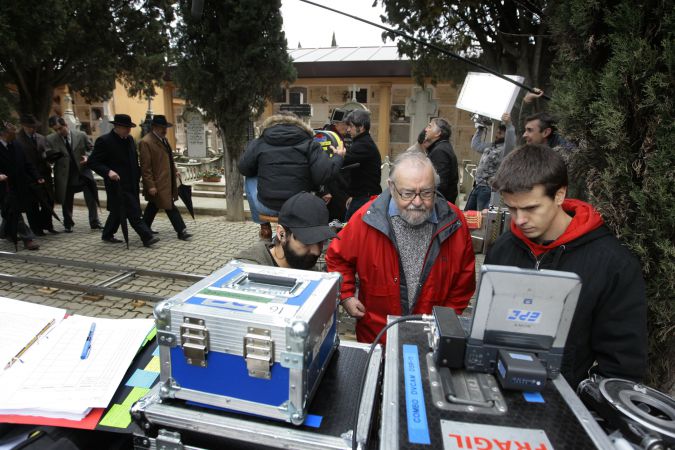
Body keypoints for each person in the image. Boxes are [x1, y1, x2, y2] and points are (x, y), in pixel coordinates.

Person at [485, 144, 647, 388]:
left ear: (559, 195)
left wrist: (584, 410)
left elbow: (622, 366)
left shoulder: (613, 264)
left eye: (531, 208)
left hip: (565, 403)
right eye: (512, 208)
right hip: (499, 388)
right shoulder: (504, 248)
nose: (519, 220)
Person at [326, 150, 476, 343]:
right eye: (408, 193)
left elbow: (464, 280)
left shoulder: (454, 222)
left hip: (432, 336)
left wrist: (445, 320)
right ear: (391, 186)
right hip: (378, 335)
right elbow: (337, 258)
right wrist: (346, 295)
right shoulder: (366, 220)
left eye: (427, 192)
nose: (418, 201)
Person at [239, 112, 345, 240]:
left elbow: (243, 168)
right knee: (310, 170)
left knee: (250, 177)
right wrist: (338, 157)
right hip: (298, 207)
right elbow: (322, 176)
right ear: (299, 125)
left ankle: (264, 227)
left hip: (267, 206)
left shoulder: (259, 143)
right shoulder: (310, 143)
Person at [88, 114, 159, 247]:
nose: (128, 130)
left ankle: (107, 234)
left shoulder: (130, 139)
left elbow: (133, 160)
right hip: (117, 184)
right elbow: (93, 162)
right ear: (117, 127)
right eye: (125, 127)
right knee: (133, 212)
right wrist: (108, 172)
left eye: (129, 127)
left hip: (132, 183)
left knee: (118, 210)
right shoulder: (104, 141)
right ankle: (147, 237)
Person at [236, 192, 335, 270]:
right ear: (281, 234)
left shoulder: (307, 267)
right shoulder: (248, 270)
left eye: (321, 241)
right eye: (307, 241)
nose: (317, 251)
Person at [139, 115, 192, 241]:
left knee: (153, 206)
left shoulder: (164, 140)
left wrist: (175, 171)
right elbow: (145, 167)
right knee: (169, 205)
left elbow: (168, 158)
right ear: (154, 127)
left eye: (165, 127)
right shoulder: (146, 142)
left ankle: (144, 229)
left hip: (166, 180)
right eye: (161, 127)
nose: (164, 130)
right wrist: (150, 185)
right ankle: (181, 231)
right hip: (158, 182)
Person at [48, 117, 101, 232]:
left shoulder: (81, 135)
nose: (58, 132)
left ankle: (95, 222)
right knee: (66, 199)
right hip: (64, 175)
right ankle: (68, 223)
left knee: (91, 196)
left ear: (66, 125)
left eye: (60, 128)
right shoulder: (51, 139)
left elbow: (92, 149)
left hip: (83, 172)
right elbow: (48, 157)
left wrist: (87, 156)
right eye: (55, 130)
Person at [0, 121, 41, 250]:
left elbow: (26, 162)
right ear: (3, 133)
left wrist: (37, 176)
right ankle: (28, 238)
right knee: (14, 210)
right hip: (3, 186)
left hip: (19, 184)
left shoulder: (16, 144)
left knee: (9, 211)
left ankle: (5, 232)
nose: (16, 133)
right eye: (13, 131)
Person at [15, 114, 58, 235]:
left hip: (44, 174)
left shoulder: (41, 138)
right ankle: (36, 228)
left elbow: (47, 152)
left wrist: (51, 157)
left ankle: (47, 225)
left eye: (35, 126)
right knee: (32, 205)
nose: (33, 129)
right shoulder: (17, 139)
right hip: (28, 177)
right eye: (30, 127)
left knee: (49, 201)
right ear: (24, 126)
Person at [464, 113, 516, 211]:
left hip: (487, 190)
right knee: (468, 215)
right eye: (497, 132)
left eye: (500, 133)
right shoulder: (491, 146)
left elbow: (511, 141)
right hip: (477, 186)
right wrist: (480, 128)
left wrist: (509, 125)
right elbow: (475, 145)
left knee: (481, 218)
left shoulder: (505, 150)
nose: (496, 135)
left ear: (506, 136)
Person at [342, 110, 382, 222]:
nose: (348, 130)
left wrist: (338, 155)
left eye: (351, 126)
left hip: (365, 199)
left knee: (351, 234)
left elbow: (343, 161)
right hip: (361, 197)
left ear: (362, 126)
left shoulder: (363, 144)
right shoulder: (362, 142)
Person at [424, 117, 458, 204]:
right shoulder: (442, 147)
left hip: (439, 204)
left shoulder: (440, 151)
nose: (426, 129)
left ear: (438, 133)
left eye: (430, 126)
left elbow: (440, 183)